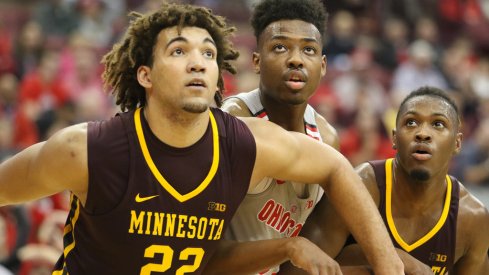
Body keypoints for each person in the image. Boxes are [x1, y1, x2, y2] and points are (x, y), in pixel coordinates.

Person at [0, 3, 405, 275]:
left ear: (217, 78)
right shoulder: (86, 151)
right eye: (178, 52)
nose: (197, 61)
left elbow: (334, 166)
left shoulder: (246, 144)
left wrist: (389, 265)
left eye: (209, 54)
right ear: (145, 76)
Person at [282, 86, 489, 274]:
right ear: (394, 138)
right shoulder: (359, 185)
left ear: (457, 143)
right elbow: (295, 271)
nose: (423, 133)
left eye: (438, 124)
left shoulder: (472, 218)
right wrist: (388, 259)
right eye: (411, 122)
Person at [221, 0, 339, 274]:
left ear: (322, 66)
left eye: (308, 49)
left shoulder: (327, 137)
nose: (296, 59)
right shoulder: (233, 121)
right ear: (257, 61)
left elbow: (324, 237)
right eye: (280, 47)